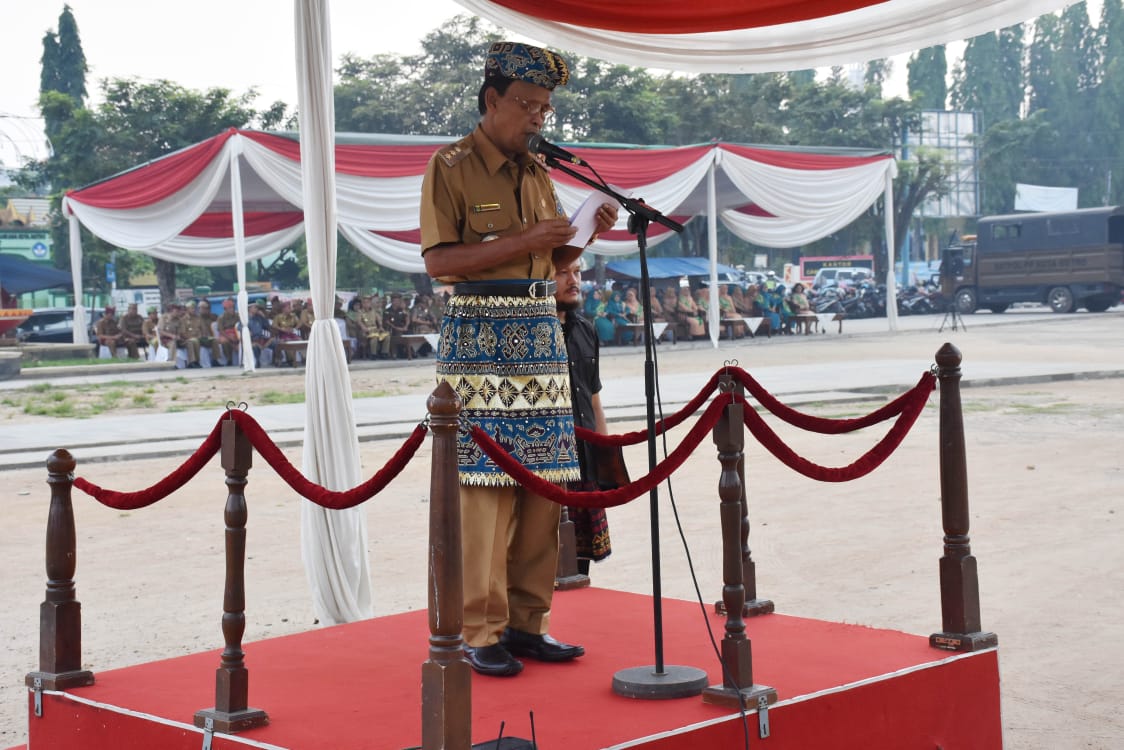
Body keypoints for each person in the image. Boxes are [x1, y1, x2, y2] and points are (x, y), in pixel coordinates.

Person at [419, 41, 617, 678]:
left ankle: (530, 623)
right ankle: (480, 628)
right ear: (492, 100)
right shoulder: (449, 167)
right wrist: (526, 239)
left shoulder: (539, 173)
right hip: (478, 340)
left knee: (542, 491)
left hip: (539, 336)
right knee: (484, 490)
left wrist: (582, 237)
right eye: (527, 105)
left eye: (545, 108)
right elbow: (440, 262)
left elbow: (545, 263)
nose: (537, 117)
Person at [554, 259, 613, 575]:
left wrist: (604, 460)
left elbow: (594, 401)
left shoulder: (586, 330)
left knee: (581, 569)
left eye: (576, 272)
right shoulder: (532, 333)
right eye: (562, 271)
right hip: (549, 468)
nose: (572, 279)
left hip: (585, 461)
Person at [215, 297, 241, 365]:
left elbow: (240, 326)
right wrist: (229, 337)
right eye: (229, 308)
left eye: (232, 307)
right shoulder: (221, 317)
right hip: (225, 334)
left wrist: (236, 336)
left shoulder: (238, 315)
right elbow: (221, 330)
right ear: (225, 309)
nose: (231, 309)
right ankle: (229, 359)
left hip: (236, 333)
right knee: (224, 341)